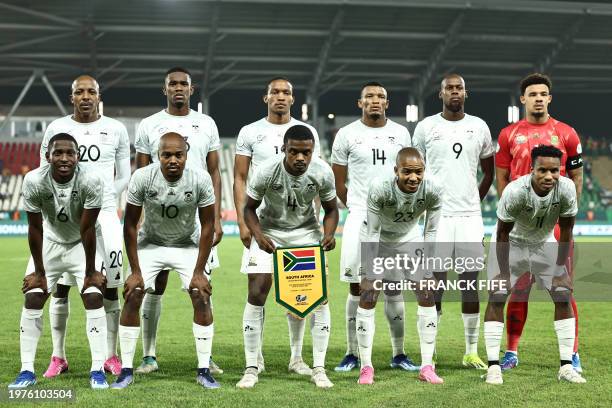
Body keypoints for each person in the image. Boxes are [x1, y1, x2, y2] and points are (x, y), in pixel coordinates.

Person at [38, 75, 130, 378]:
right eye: (80, 92)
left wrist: (102, 197)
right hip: (66, 215)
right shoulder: (56, 129)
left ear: (99, 96)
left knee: (110, 287)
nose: (86, 96)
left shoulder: (116, 129)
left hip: (104, 213)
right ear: (72, 97)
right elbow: (42, 171)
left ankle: (110, 355)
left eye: (92, 91)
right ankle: (58, 356)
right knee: (62, 285)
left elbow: (125, 175)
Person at [133, 67, 223, 374]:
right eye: (173, 84)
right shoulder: (149, 125)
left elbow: (214, 172)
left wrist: (219, 217)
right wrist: (143, 214)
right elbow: (140, 171)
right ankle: (148, 354)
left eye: (183, 83)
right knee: (153, 286)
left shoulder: (206, 123)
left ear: (191, 88)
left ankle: (205, 356)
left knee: (202, 287)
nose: (178, 88)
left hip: (196, 216)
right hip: (157, 218)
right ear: (165, 89)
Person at [111, 133, 218, 389]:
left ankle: (204, 369)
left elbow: (207, 226)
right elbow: (129, 226)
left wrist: (199, 271)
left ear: (186, 155)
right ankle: (126, 370)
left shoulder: (200, 178)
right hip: (151, 244)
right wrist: (135, 271)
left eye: (178, 155)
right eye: (166, 155)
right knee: (133, 292)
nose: (172, 160)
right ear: (158, 155)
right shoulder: (143, 177)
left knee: (201, 294)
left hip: (187, 244)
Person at [236, 125, 338, 389]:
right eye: (294, 152)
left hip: (305, 235)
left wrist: (329, 233)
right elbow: (249, 208)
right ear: (284, 149)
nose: (300, 158)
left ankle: (316, 367)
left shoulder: (322, 171)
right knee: (257, 292)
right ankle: (251, 366)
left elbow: (331, 210)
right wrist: (257, 235)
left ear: (313, 151)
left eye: (306, 152)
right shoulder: (267, 170)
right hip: (270, 233)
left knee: (315, 299)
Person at [496, 73, 584, 372]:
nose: (537, 98)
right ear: (523, 99)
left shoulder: (567, 133)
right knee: (517, 288)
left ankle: (571, 354)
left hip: (555, 224)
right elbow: (502, 178)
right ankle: (511, 350)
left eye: (543, 93)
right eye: (532, 93)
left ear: (549, 98)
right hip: (521, 223)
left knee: (562, 286)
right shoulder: (509, 134)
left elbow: (575, 176)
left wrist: (567, 211)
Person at [233, 77, 320, 375]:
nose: (280, 97)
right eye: (275, 92)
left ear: (293, 99)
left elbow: (316, 179)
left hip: (300, 226)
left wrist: (316, 220)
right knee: (258, 288)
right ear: (265, 98)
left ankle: (296, 357)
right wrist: (245, 224)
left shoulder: (308, 133)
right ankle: (255, 357)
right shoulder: (250, 132)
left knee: (302, 293)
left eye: (286, 92)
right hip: (263, 222)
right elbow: (240, 177)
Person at [9, 133, 109, 389]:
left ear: (78, 157)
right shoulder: (34, 180)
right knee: (33, 295)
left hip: (81, 242)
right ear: (48, 156)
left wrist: (90, 272)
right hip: (50, 242)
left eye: (70, 153)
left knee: (94, 294)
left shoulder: (91, 179)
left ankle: (97, 369)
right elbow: (34, 228)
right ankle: (26, 370)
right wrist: (40, 272)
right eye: (58, 153)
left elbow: (87, 229)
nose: (64, 158)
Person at [483, 145, 586, 385]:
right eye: (542, 171)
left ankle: (566, 366)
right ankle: (493, 367)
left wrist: (561, 269)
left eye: (554, 171)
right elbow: (501, 235)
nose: (549, 176)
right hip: (513, 244)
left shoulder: (567, 188)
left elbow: (568, 229)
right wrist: (504, 274)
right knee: (497, 296)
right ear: (532, 169)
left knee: (562, 294)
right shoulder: (515, 191)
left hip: (544, 243)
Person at [412, 73, 494, 369]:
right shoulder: (425, 127)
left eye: (459, 88)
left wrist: (474, 201)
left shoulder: (479, 126)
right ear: (441, 93)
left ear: (466, 93)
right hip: (438, 217)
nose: (454, 92)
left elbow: (489, 172)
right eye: (449, 88)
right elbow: (414, 171)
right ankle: (429, 351)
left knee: (470, 283)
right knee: (435, 284)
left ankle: (471, 350)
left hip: (470, 217)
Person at [331, 82, 413, 372]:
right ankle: (352, 353)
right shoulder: (347, 134)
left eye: (380, 97)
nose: (375, 101)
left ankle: (399, 353)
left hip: (393, 222)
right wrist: (356, 207)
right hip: (359, 217)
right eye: (369, 97)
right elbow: (338, 182)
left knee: (393, 287)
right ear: (360, 102)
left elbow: (409, 174)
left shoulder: (401, 133)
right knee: (357, 286)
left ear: (387, 103)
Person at [356, 147, 444, 385]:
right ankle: (366, 367)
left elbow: (431, 230)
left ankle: (427, 366)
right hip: (379, 238)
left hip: (409, 238)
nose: (413, 177)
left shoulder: (434, 188)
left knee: (426, 292)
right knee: (369, 294)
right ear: (396, 170)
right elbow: (373, 231)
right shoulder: (380, 187)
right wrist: (369, 271)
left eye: (418, 172)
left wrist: (428, 269)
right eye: (407, 172)